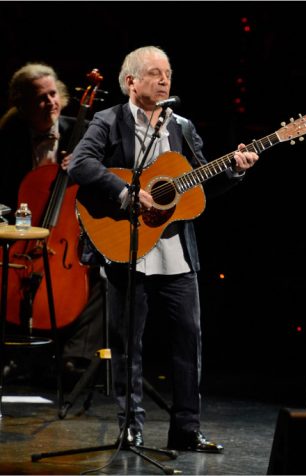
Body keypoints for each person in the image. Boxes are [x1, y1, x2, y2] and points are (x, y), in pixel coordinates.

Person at [67, 45, 259, 453]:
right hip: (126, 246)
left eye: (167, 72)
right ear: (131, 81)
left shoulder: (182, 127)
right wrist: (127, 194)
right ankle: (130, 427)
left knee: (188, 340)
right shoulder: (108, 121)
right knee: (127, 343)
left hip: (175, 253)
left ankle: (186, 430)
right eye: (154, 73)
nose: (164, 79)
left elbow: (199, 187)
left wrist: (235, 172)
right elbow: (81, 164)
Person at [0, 63, 104, 383]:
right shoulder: (8, 139)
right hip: (19, 233)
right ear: (22, 105)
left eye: (53, 94)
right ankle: (14, 355)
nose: (50, 103)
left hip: (69, 234)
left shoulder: (82, 132)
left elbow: (106, 184)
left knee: (104, 279)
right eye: (40, 98)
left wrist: (84, 168)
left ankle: (77, 358)